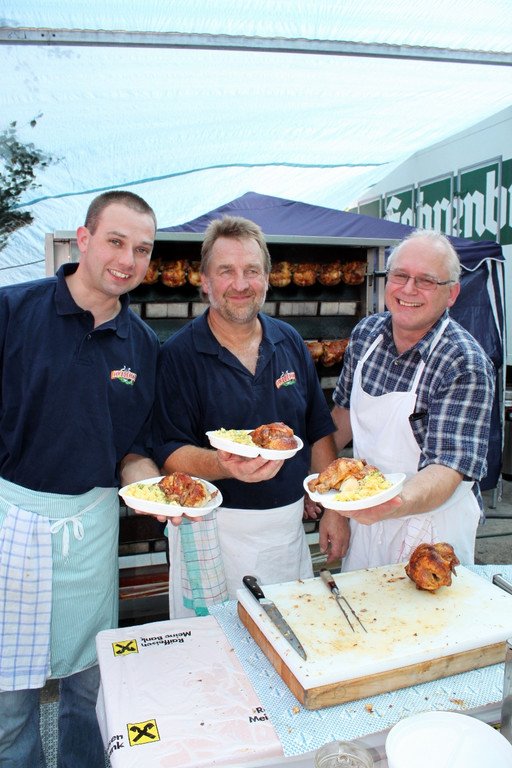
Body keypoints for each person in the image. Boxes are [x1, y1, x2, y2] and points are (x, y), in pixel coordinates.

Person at [0, 191, 162, 768]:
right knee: (9, 704)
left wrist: (153, 490)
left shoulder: (143, 346)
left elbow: (133, 452)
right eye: (116, 241)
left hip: (90, 533)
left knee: (90, 694)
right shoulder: (13, 311)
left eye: (142, 249)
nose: (128, 259)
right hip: (11, 528)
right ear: (84, 238)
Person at [152, 215, 349, 617]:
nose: (240, 284)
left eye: (251, 271)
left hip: (285, 532)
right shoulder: (178, 355)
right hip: (210, 532)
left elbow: (317, 430)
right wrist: (226, 466)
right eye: (226, 271)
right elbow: (169, 451)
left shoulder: (290, 341)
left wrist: (333, 508)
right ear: (205, 281)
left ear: (267, 278)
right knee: (213, 657)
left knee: (287, 647)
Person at [330, 228, 495, 571]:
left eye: (426, 281)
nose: (408, 289)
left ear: (452, 294)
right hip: (367, 519)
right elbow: (341, 420)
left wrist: (389, 501)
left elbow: (449, 468)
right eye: (400, 276)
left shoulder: (464, 363)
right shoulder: (365, 336)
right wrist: (327, 499)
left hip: (433, 531)